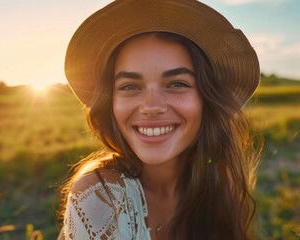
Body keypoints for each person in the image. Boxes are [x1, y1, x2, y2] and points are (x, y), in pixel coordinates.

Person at [58, 0, 261, 239]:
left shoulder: (220, 184)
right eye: (130, 86)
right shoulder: (101, 197)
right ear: (110, 101)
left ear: (207, 98)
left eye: (177, 84)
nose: (152, 107)